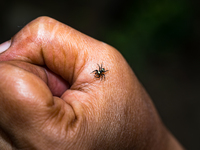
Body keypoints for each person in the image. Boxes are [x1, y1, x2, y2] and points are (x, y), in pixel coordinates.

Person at [0, 16, 184, 150]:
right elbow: (101, 71)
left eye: (100, 71)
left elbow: (101, 71)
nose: (100, 72)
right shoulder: (100, 71)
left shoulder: (101, 71)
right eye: (100, 71)